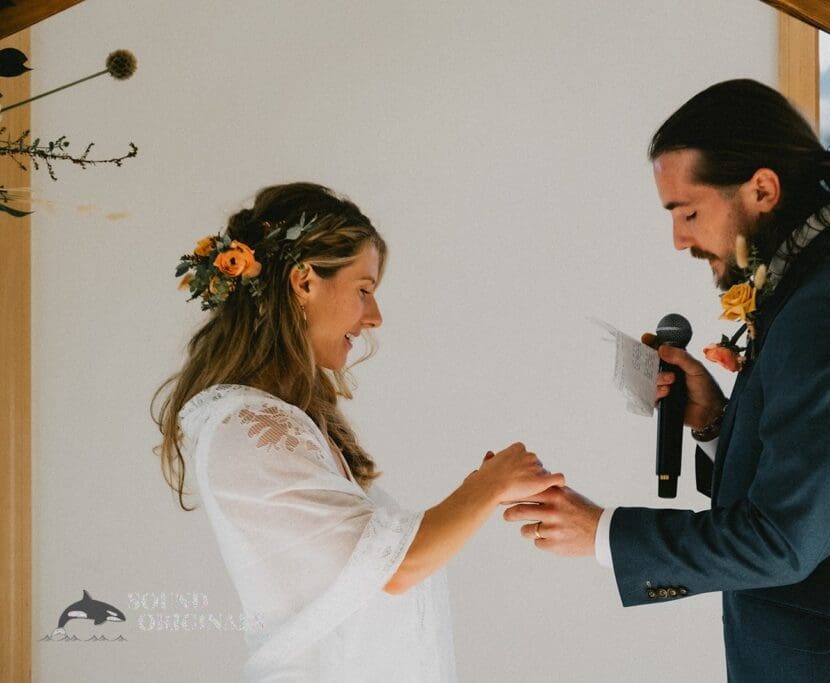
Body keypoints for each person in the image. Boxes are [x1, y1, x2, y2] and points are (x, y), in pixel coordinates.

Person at [504, 79, 830, 681]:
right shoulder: (819, 287)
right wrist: (718, 421)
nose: (679, 240)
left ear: (763, 190)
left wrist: (603, 533)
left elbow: (783, 539)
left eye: (688, 213)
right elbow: (819, 478)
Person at [153, 182, 563, 681]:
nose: (375, 317)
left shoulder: (281, 420)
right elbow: (394, 567)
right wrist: (489, 485)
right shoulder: (250, 428)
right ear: (304, 282)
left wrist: (483, 490)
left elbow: (376, 563)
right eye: (364, 290)